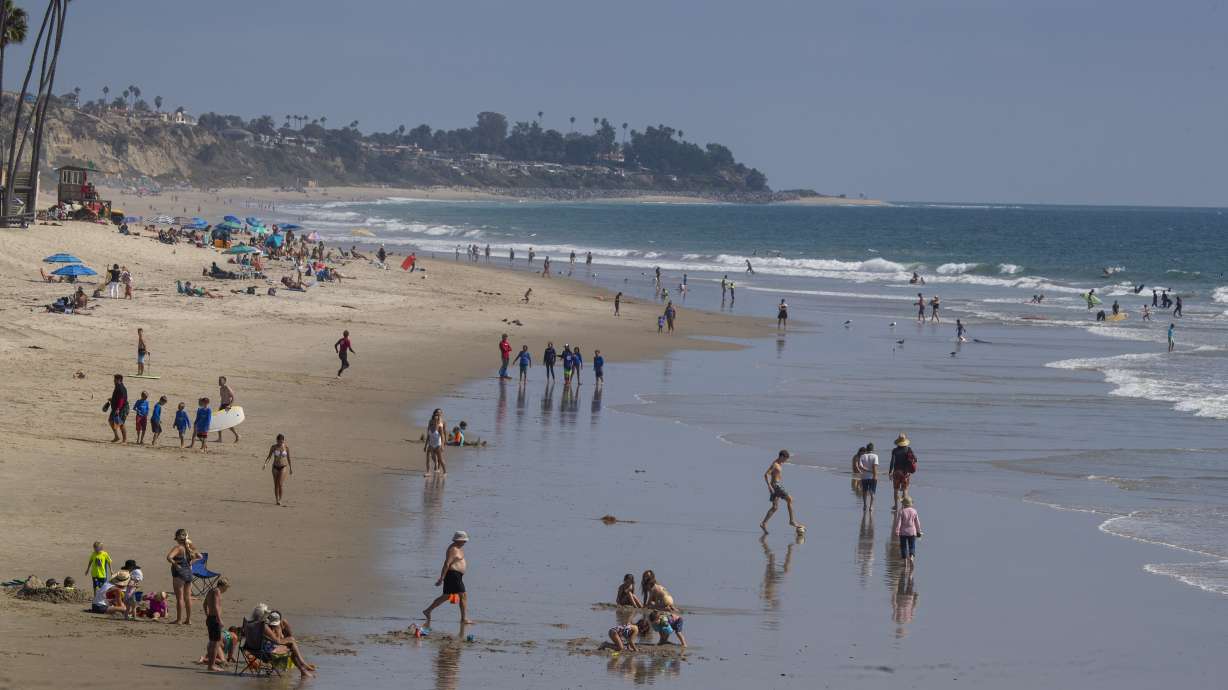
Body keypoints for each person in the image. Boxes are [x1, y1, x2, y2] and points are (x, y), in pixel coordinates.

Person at [423, 531, 473, 625]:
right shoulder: (453, 549)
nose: (465, 542)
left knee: (447, 596)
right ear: (459, 540)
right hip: (452, 575)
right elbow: (447, 563)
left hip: (456, 575)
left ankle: (427, 611)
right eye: (464, 541)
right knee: (463, 595)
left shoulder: (459, 548)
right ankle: (464, 619)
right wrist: (442, 578)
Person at [760, 450, 804, 534]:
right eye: (785, 459)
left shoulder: (779, 464)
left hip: (776, 485)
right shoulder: (775, 464)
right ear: (781, 457)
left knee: (775, 507)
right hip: (776, 486)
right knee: (790, 500)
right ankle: (792, 521)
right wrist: (769, 487)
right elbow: (766, 474)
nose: (786, 461)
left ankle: (763, 523)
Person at [166, 528, 201, 624]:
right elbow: (200, 556)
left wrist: (176, 564)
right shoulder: (189, 547)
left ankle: (179, 619)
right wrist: (190, 563)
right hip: (189, 573)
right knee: (187, 597)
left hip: (179, 573)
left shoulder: (178, 548)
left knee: (180, 598)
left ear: (177, 538)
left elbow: (169, 557)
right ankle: (188, 620)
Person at [202, 577, 231, 671]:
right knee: (216, 643)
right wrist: (219, 619)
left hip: (210, 618)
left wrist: (207, 615)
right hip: (214, 619)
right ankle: (211, 666)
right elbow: (215, 605)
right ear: (223, 586)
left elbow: (204, 604)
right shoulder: (217, 591)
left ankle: (211, 664)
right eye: (226, 587)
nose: (226, 590)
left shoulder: (211, 591)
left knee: (212, 642)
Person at [889, 434, 917, 511]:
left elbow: (892, 462)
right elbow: (915, 459)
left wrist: (890, 472)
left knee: (896, 489)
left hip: (897, 472)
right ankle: (904, 507)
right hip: (906, 473)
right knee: (905, 489)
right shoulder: (908, 449)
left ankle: (896, 506)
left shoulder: (895, 450)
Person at [263, 434, 293, 506]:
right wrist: (265, 464)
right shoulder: (273, 447)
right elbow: (269, 456)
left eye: (281, 441)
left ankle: (280, 499)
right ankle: (277, 500)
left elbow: (288, 458)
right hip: (275, 467)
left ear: (283, 440)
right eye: (279, 441)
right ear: (277, 440)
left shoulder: (286, 447)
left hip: (283, 467)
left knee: (280, 484)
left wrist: (291, 468)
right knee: (275, 484)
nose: (280, 443)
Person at [893, 496, 923, 565]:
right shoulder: (914, 511)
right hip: (912, 532)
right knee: (912, 545)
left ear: (903, 504)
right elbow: (917, 522)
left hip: (903, 533)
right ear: (910, 504)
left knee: (903, 546)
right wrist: (919, 531)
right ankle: (911, 557)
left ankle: (905, 561)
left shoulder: (901, 511)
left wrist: (897, 531)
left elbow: (898, 522)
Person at [105, 374, 128, 443]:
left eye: (115, 379)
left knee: (120, 423)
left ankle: (124, 440)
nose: (113, 381)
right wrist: (112, 399)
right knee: (111, 421)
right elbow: (118, 398)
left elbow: (122, 399)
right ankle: (116, 437)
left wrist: (118, 409)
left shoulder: (120, 388)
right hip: (116, 408)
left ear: (119, 380)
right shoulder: (118, 387)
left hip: (121, 408)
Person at [216, 376, 239, 443]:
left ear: (224, 381)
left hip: (227, 406)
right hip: (222, 406)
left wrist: (230, 406)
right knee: (219, 422)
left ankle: (237, 435)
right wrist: (220, 407)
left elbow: (233, 397)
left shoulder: (227, 388)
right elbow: (222, 399)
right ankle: (220, 438)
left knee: (228, 423)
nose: (219, 382)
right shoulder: (221, 389)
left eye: (220, 381)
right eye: (219, 380)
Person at [857, 443, 879, 511]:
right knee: (872, 492)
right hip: (872, 477)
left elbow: (860, 467)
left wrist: (868, 470)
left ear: (867, 449)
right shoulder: (875, 456)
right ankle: (871, 506)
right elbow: (875, 467)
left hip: (864, 477)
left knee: (864, 492)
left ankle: (864, 505)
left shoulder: (862, 456)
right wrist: (874, 475)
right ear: (873, 449)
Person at [424, 409, 446, 475]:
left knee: (440, 457)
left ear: (441, 413)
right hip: (431, 442)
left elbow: (443, 433)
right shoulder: (431, 422)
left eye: (439, 413)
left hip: (438, 442)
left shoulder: (442, 422)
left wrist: (443, 444)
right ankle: (430, 470)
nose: (438, 414)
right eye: (437, 413)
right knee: (432, 456)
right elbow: (428, 433)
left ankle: (440, 469)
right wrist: (425, 445)